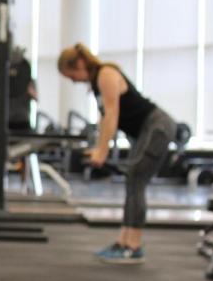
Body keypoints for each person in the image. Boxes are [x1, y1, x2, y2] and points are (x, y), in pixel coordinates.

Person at [57, 43, 177, 265]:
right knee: (133, 179)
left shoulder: (106, 74)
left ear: (80, 63)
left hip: (157, 127)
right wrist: (99, 147)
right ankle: (124, 241)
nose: (73, 80)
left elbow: (112, 114)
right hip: (145, 131)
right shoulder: (96, 83)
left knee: (136, 179)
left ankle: (133, 245)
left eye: (71, 74)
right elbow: (105, 120)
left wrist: (102, 151)